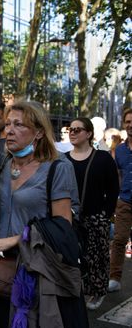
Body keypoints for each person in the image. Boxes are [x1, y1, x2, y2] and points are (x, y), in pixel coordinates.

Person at [0, 100, 78, 328]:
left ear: (38, 132)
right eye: (7, 124)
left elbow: (63, 226)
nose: (9, 130)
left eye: (18, 125)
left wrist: (16, 238)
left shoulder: (58, 168)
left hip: (31, 274)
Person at [65, 117, 119, 310]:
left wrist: (105, 214)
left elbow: (113, 189)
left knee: (97, 255)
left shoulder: (103, 158)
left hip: (96, 216)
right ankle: (75, 289)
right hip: (70, 217)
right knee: (72, 255)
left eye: (78, 129)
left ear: (88, 134)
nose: (72, 132)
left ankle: (97, 291)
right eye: (70, 129)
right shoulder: (64, 159)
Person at [109, 107, 132, 293]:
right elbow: (115, 175)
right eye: (128, 122)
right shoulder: (120, 150)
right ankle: (114, 278)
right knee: (119, 240)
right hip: (124, 201)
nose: (130, 125)